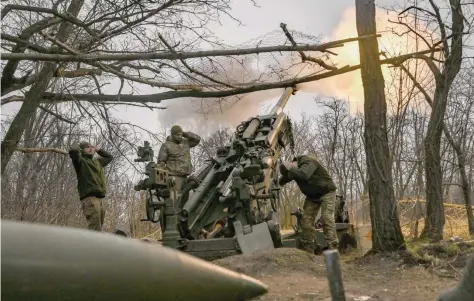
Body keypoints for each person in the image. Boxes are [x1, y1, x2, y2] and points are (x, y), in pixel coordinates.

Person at [279, 155, 338, 253]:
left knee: (327, 218)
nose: (293, 177)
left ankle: (333, 248)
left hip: (326, 191)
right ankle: (308, 251)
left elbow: (304, 175)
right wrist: (276, 182)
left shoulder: (307, 161)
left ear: (294, 164)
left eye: (292, 173)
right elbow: (282, 181)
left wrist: (290, 168)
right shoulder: (295, 169)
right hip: (312, 196)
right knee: (306, 220)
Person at [68, 141, 114, 231]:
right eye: (87, 147)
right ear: (82, 150)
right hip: (89, 198)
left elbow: (109, 157)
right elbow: (73, 153)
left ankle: (94, 244)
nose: (91, 148)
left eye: (92, 147)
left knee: (99, 226)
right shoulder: (81, 161)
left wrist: (99, 150)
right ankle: (89, 244)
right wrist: (77, 147)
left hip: (100, 197)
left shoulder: (98, 162)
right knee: (94, 227)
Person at [157, 125, 201, 204]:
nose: (179, 137)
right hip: (173, 178)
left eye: (180, 135)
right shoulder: (166, 145)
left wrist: (185, 134)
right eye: (177, 135)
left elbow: (197, 139)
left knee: (184, 203)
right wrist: (165, 180)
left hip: (185, 178)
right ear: (172, 135)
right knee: (173, 203)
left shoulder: (186, 142)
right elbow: (161, 162)